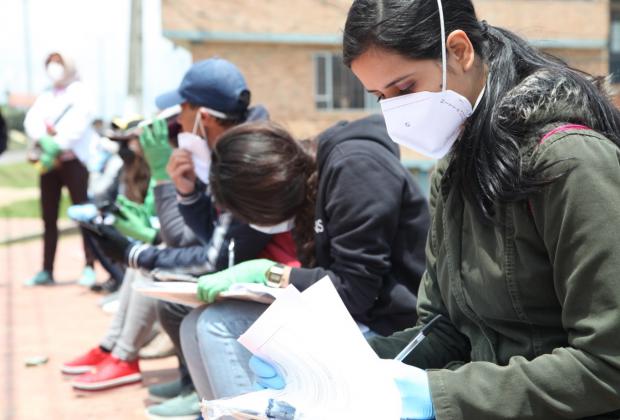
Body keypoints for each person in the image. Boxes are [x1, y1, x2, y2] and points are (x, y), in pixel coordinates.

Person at [262, 0, 620, 418]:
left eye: (404, 88)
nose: (394, 112)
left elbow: (608, 364)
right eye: (380, 96)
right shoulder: (453, 171)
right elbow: (446, 329)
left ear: (460, 51)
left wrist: (440, 394)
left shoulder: (570, 162)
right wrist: (338, 365)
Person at [182, 114, 430, 400]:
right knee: (194, 325)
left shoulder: (355, 169)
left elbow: (356, 291)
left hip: (398, 329)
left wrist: (270, 274)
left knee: (218, 325)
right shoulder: (311, 185)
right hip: (357, 318)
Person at [23, 52, 97, 286]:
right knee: (49, 217)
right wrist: (44, 142)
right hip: (49, 164)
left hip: (74, 162)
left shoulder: (81, 92)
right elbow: (32, 121)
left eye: (58, 62)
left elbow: (79, 124)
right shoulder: (46, 95)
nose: (54, 67)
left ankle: (90, 265)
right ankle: (47, 269)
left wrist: (57, 144)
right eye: (51, 63)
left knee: (84, 214)